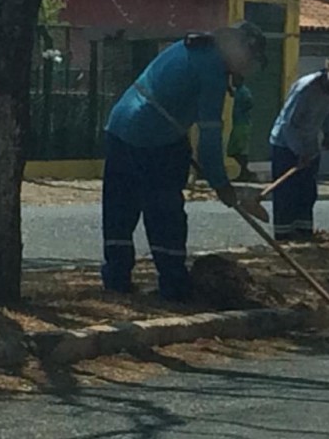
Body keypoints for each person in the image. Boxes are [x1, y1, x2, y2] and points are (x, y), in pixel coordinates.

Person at [101, 21, 266, 301]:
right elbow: (210, 136)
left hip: (119, 128)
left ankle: (116, 281)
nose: (249, 68)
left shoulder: (193, 47)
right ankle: (173, 286)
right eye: (251, 60)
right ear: (240, 51)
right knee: (165, 213)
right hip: (153, 139)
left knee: (120, 208)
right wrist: (221, 184)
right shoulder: (212, 70)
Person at [269, 60, 329, 242]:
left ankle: (303, 232)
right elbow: (288, 124)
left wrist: (328, 133)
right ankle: (284, 234)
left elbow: (327, 112)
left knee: (307, 192)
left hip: (309, 145)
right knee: (287, 192)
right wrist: (299, 152)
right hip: (286, 145)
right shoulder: (305, 89)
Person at [226, 74, 255, 182]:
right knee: (233, 149)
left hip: (242, 124)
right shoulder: (238, 91)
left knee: (239, 149)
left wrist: (243, 109)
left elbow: (249, 102)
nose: (233, 81)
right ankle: (244, 171)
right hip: (237, 123)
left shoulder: (244, 91)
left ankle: (245, 172)